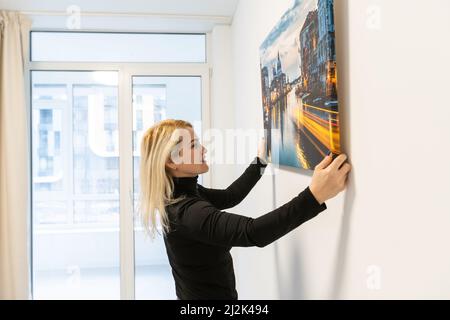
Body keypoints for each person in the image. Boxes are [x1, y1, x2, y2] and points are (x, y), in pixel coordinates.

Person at [139, 119, 351, 300]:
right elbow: (253, 232)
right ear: (171, 161)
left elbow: (231, 196)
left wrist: (260, 161)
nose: (203, 149)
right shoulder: (187, 212)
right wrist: (314, 195)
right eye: (194, 145)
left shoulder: (185, 195)